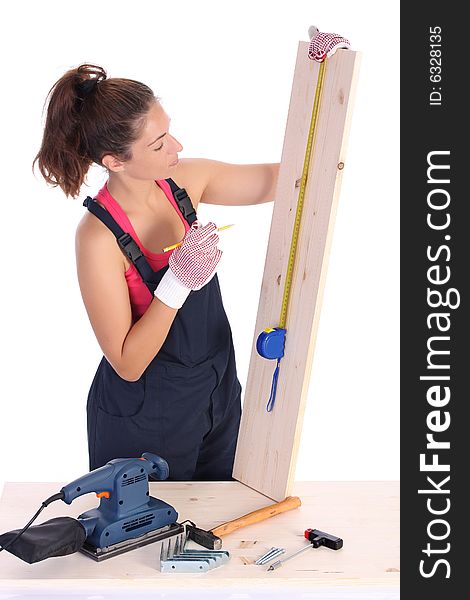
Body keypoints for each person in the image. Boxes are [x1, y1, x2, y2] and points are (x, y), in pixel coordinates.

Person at [32, 63, 279, 480]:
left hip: (215, 393)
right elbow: (127, 362)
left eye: (170, 132)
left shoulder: (185, 180)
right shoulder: (98, 238)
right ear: (116, 161)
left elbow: (286, 179)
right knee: (148, 541)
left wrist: (324, 80)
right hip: (145, 418)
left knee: (220, 523)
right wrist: (177, 282)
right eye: (160, 143)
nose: (177, 146)